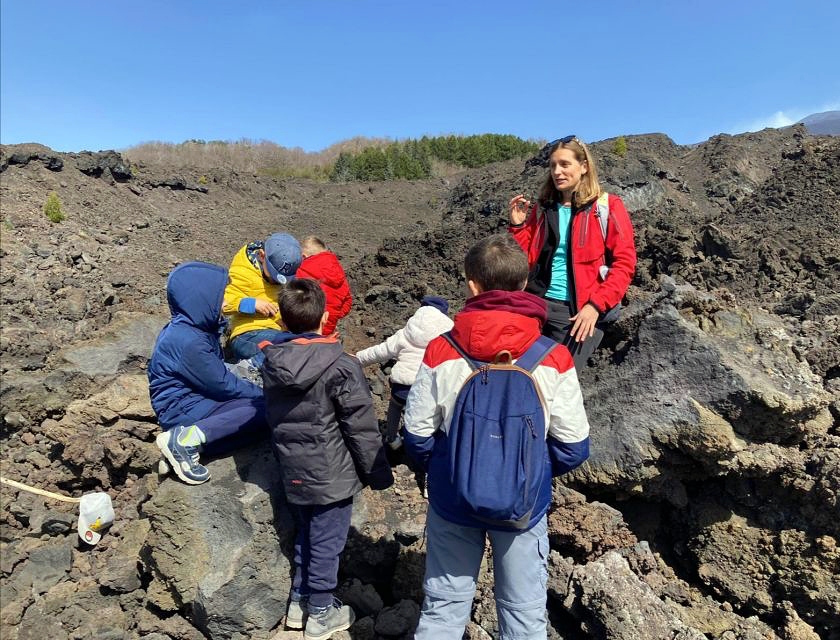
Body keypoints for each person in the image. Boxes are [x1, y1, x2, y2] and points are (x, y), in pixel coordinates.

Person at [403, 234, 590, 639]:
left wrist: (453, 465)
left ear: (472, 286)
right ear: (525, 285)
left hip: (453, 499)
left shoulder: (441, 349)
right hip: (523, 506)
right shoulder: (553, 355)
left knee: (443, 611)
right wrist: (527, 470)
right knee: (523, 615)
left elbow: (416, 435)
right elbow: (574, 447)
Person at [260, 278, 394, 640]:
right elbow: (361, 428)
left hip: (293, 469)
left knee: (307, 533)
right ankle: (320, 613)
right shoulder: (340, 365)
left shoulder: (271, 362)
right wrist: (378, 473)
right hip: (331, 473)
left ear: (283, 322)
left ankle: (298, 603)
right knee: (327, 542)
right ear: (326, 317)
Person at [508, 135, 636, 369]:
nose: (557, 172)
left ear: (584, 167)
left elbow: (624, 264)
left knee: (559, 379)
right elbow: (525, 261)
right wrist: (518, 227)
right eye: (553, 165)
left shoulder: (607, 207)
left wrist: (596, 306)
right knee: (521, 374)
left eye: (565, 164)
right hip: (536, 305)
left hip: (577, 311)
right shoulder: (543, 208)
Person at [148, 261, 267, 485]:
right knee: (264, 408)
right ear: (201, 298)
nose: (225, 303)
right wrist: (263, 393)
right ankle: (185, 440)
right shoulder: (188, 341)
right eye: (220, 297)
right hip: (183, 411)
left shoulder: (193, 329)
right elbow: (224, 385)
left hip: (195, 404)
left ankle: (184, 452)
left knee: (264, 426)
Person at [355, 295, 453, 450]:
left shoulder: (407, 332)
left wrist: (356, 359)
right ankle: (421, 445)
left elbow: (381, 351)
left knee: (395, 406)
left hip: (402, 388)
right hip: (427, 390)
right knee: (423, 417)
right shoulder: (448, 337)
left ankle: (392, 439)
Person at [223, 232, 302, 361]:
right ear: (261, 256)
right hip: (247, 332)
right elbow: (224, 304)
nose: (276, 282)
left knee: (299, 348)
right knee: (281, 352)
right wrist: (252, 304)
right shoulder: (244, 272)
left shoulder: (282, 274)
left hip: (277, 331)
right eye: (273, 275)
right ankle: (248, 370)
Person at [296, 236, 353, 336]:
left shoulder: (300, 271)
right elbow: (347, 303)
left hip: (302, 328)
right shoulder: (340, 275)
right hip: (327, 331)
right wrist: (333, 315)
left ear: (304, 256)